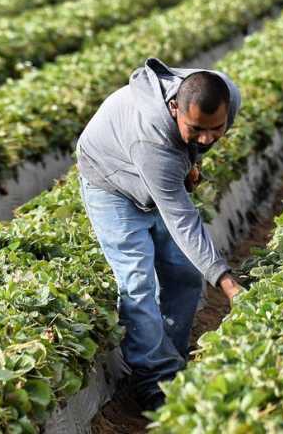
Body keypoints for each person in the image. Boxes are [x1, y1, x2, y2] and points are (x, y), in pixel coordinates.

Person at [76, 58, 247, 410]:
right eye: (196, 128)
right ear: (174, 109)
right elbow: (183, 220)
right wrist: (228, 284)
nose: (207, 137)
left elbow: (199, 140)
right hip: (110, 181)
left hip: (155, 171)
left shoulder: (228, 95)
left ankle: (172, 357)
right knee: (138, 282)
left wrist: (194, 156)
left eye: (216, 128)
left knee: (184, 271)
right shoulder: (151, 138)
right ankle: (155, 382)